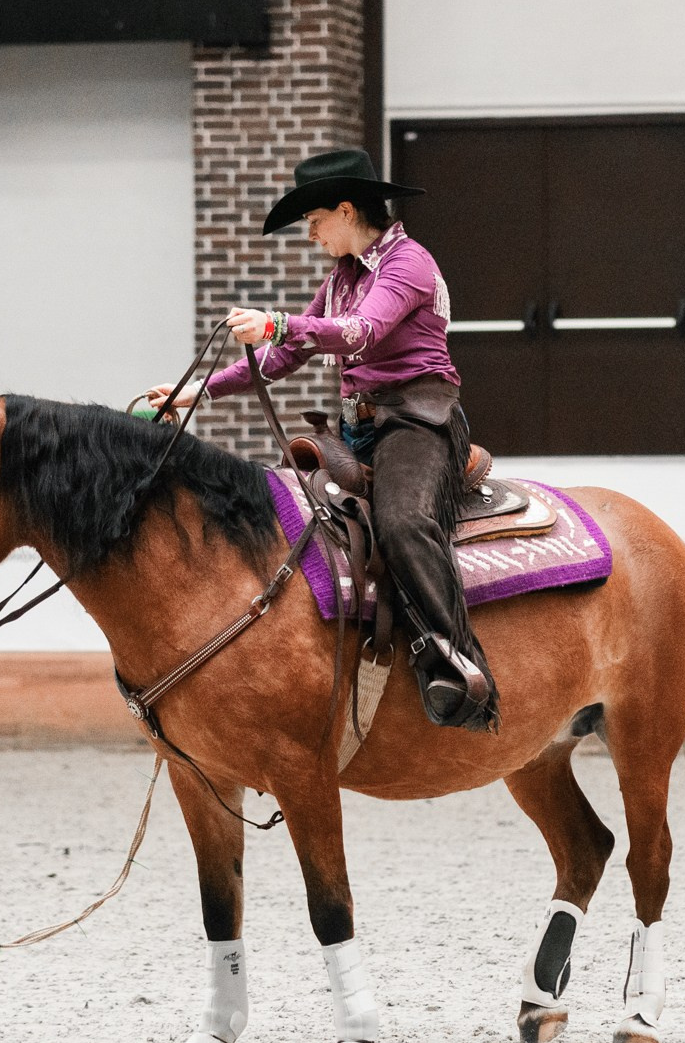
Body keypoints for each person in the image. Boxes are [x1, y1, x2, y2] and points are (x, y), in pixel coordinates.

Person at [140, 148, 497, 732]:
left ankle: (458, 663)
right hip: (358, 426)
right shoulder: (343, 277)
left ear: (346, 209)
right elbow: (286, 356)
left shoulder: (408, 263)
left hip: (416, 421)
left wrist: (276, 320)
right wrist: (198, 393)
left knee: (405, 524)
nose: (311, 237)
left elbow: (359, 331)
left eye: (313, 222)